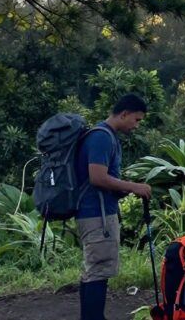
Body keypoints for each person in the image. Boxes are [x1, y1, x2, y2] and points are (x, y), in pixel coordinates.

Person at [75, 94, 153, 320]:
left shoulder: (106, 136)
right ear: (124, 114)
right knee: (99, 269)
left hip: (97, 211)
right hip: (96, 213)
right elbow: (97, 177)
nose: (137, 126)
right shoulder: (102, 138)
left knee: (95, 269)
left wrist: (122, 188)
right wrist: (133, 186)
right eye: (136, 120)